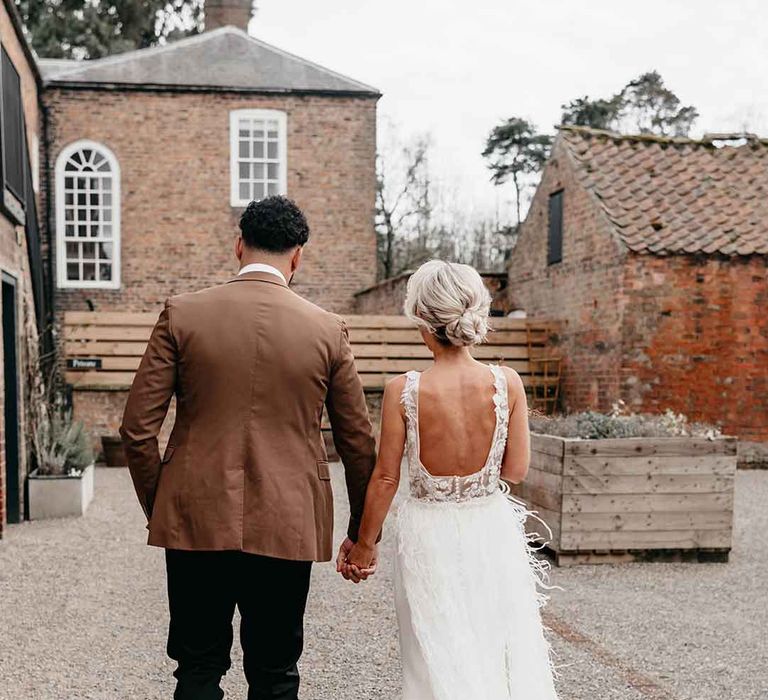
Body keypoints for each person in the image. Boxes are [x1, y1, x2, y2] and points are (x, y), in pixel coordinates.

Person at [120, 195, 377, 700]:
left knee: (196, 669)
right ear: (298, 255)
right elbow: (358, 442)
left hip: (195, 519)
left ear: (239, 245)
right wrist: (359, 531)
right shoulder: (328, 330)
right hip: (288, 521)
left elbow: (136, 431)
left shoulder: (181, 314)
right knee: (276, 674)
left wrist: (164, 507)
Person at [340, 260, 559, 699]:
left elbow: (385, 478)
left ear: (422, 321)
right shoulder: (507, 382)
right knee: (495, 644)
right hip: (490, 528)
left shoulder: (404, 389)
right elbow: (515, 471)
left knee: (433, 650)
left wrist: (364, 545)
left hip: (428, 534)